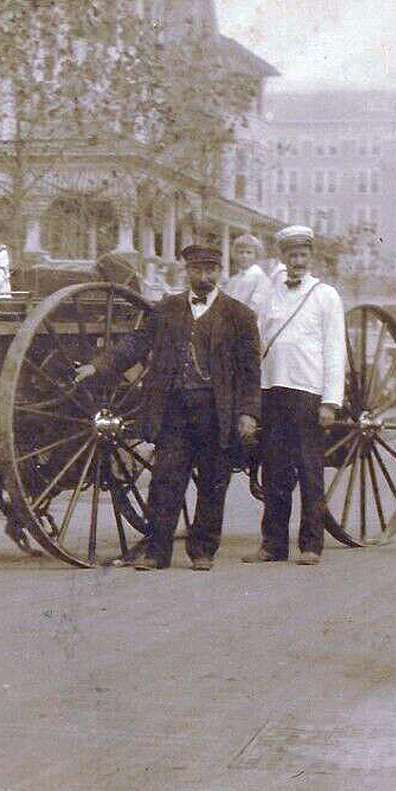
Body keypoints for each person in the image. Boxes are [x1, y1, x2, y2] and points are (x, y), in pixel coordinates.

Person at [75, 243, 260, 570]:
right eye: (197, 270)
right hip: (175, 409)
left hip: (217, 411)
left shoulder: (240, 315)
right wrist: (99, 366)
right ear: (187, 272)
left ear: (220, 272)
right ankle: (156, 552)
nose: (204, 276)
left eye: (211, 270)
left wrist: (248, 413)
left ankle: (202, 551)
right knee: (165, 480)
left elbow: (250, 370)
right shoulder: (166, 310)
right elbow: (135, 345)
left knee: (214, 482)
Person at [247, 224, 345, 566]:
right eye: (291, 254)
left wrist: (330, 401)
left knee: (309, 471)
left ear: (311, 257)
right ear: (282, 257)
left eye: (303, 254)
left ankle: (311, 544)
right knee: (274, 470)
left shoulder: (325, 295)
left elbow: (334, 350)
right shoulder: (269, 292)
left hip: (308, 392)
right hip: (272, 390)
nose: (297, 261)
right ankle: (273, 544)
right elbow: (257, 339)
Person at [223, 233, 272, 312]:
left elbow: (255, 307)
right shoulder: (233, 280)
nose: (244, 256)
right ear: (235, 255)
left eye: (249, 252)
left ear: (256, 255)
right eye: (241, 252)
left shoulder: (261, 278)